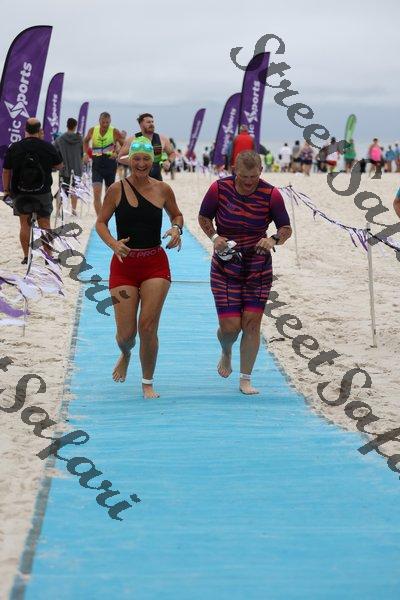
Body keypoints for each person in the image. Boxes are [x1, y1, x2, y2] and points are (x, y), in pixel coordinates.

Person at [95, 137, 183, 399]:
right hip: (124, 265)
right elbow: (101, 223)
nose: (141, 164)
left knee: (147, 326)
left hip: (155, 263)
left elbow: (177, 215)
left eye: (146, 159)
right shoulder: (116, 189)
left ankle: (147, 382)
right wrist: (113, 244)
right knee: (126, 335)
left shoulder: (163, 189)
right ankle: (125, 353)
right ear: (129, 161)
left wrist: (176, 229)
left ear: (152, 161)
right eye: (137, 159)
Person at [198, 150, 292, 395]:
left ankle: (245, 379)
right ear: (234, 171)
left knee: (251, 323)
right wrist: (214, 237)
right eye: (243, 177)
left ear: (261, 171)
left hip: (257, 266)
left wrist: (272, 240)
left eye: (253, 176)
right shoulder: (219, 189)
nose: (249, 182)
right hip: (225, 264)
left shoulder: (271, 194)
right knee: (230, 328)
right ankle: (226, 350)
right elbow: (203, 217)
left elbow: (285, 228)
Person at [2, 118, 63, 264]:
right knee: (45, 225)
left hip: (20, 192)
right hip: (42, 192)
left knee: (25, 224)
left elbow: (6, 171)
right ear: (39, 130)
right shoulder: (47, 147)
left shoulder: (15, 147)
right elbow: (59, 165)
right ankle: (48, 257)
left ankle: (26, 256)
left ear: (25, 129)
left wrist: (6, 190)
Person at [83, 112, 124, 215]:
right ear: (99, 121)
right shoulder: (92, 130)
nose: (105, 125)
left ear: (110, 121)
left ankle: (106, 216)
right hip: (97, 165)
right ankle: (99, 219)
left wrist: (117, 153)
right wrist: (86, 153)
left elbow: (124, 145)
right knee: (97, 194)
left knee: (108, 195)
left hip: (110, 165)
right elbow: (85, 141)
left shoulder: (115, 131)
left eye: (107, 122)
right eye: (103, 122)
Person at [118, 113, 176, 181]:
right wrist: (135, 162)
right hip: (138, 179)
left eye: (152, 122)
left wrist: (168, 161)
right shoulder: (132, 140)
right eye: (148, 122)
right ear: (141, 125)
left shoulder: (162, 139)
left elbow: (172, 153)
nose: (151, 124)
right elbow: (120, 157)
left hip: (156, 179)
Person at [54, 117, 83, 216]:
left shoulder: (60, 139)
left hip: (64, 168)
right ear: (75, 126)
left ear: (67, 125)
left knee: (62, 189)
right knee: (74, 189)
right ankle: (73, 211)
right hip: (77, 168)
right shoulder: (79, 139)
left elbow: (54, 151)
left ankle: (58, 211)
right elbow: (82, 153)